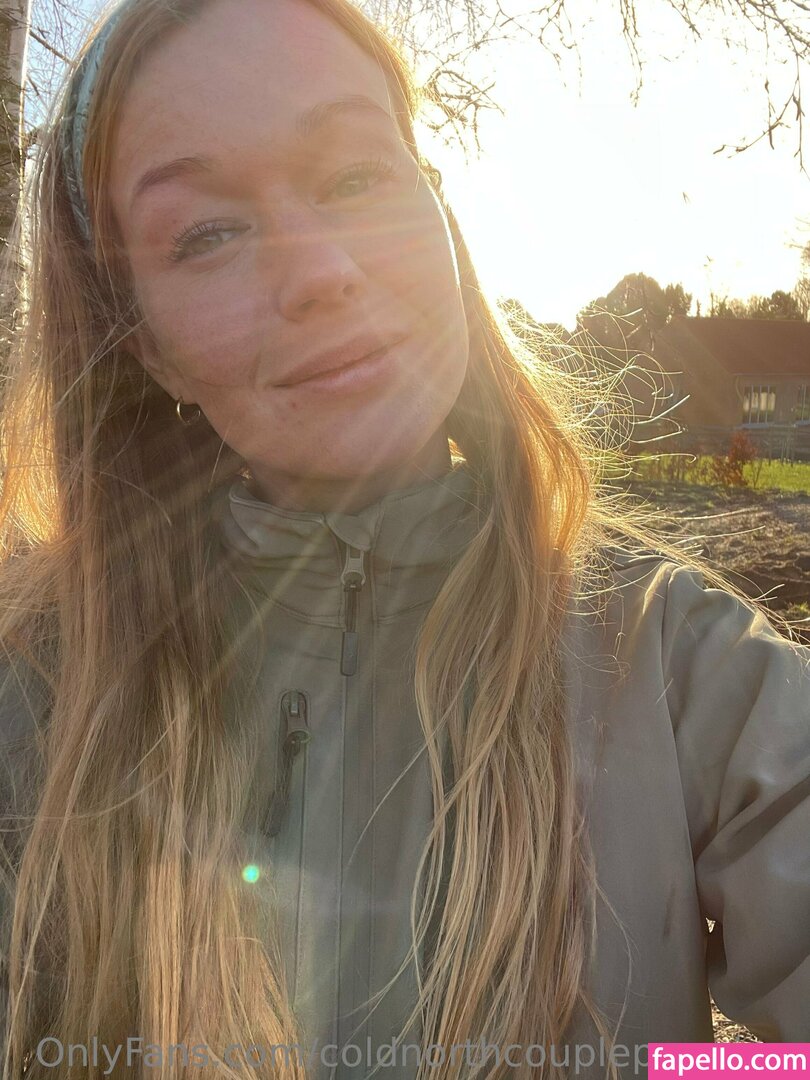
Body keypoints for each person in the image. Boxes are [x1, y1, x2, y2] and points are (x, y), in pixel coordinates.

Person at [0, 0, 807, 1077]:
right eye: (206, 233)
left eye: (354, 175)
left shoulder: (679, 661)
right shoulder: (34, 702)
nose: (322, 271)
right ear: (143, 343)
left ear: (440, 212)